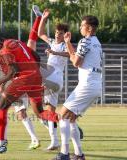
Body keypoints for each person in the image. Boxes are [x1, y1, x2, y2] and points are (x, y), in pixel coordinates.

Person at [0, 5, 57, 158]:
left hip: (25, 78)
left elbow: (13, 71)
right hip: (36, 77)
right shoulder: (15, 42)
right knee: (41, 112)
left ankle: (1, 143)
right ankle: (65, 120)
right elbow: (34, 53)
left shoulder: (5, 49)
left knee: (1, 107)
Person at [52, 15, 102, 160]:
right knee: (71, 119)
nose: (80, 28)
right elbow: (77, 57)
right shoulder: (97, 42)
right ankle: (79, 155)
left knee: (62, 115)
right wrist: (68, 42)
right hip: (95, 83)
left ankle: (64, 154)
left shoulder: (85, 41)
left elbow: (76, 62)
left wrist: (67, 43)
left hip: (87, 83)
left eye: (82, 25)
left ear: (90, 28)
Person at [38, 9, 69, 151]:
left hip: (55, 78)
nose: (57, 35)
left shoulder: (64, 44)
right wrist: (43, 18)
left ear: (65, 35)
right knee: (49, 112)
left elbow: (70, 53)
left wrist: (54, 52)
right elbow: (40, 34)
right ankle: (55, 141)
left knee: (33, 66)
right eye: (57, 32)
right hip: (51, 81)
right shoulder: (52, 41)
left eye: (61, 33)